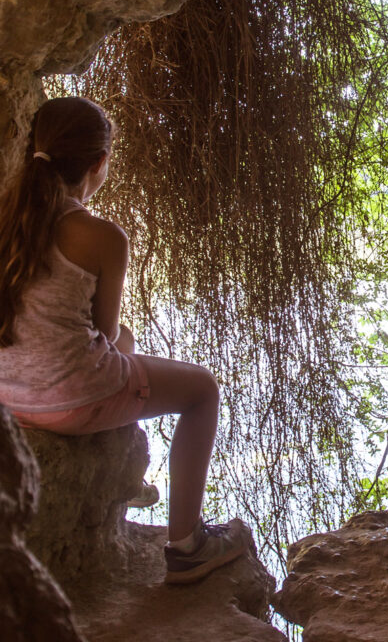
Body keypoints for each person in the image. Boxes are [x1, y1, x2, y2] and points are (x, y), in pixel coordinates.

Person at [0, 96, 248, 585]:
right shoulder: (100, 236)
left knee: (125, 348)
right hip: (68, 399)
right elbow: (106, 332)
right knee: (202, 390)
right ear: (99, 163)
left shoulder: (8, 220)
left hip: (9, 396)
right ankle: (187, 547)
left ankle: (122, 482)